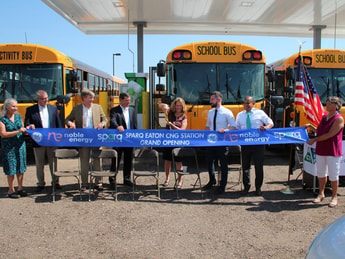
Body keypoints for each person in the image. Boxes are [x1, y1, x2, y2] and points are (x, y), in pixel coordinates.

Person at [65, 89, 108, 191]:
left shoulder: (98, 107)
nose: (92, 100)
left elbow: (105, 119)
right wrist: (70, 124)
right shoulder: (77, 109)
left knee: (97, 161)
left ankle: (99, 182)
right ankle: (84, 183)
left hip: (95, 139)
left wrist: (102, 124)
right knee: (84, 162)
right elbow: (67, 119)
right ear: (83, 98)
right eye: (90, 98)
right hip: (83, 139)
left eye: (93, 98)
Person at [307, 96, 344, 208]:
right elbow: (319, 131)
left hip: (332, 150)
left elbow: (330, 134)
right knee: (321, 172)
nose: (327, 105)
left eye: (330, 103)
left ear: (336, 106)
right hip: (321, 149)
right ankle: (321, 193)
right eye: (327, 103)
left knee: (333, 174)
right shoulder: (324, 117)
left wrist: (314, 140)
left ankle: (334, 196)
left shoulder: (339, 119)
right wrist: (310, 127)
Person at [25, 90, 63, 192]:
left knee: (53, 162)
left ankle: (55, 182)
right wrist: (29, 126)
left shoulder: (53, 109)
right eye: (43, 99)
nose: (46, 100)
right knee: (39, 163)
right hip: (38, 141)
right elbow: (27, 123)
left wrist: (60, 138)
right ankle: (40, 183)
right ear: (38, 99)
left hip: (52, 140)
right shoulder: (30, 110)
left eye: (47, 98)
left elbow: (58, 124)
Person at [235, 96, 273, 196]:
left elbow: (270, 123)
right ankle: (246, 187)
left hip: (258, 144)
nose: (246, 105)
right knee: (245, 166)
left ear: (253, 104)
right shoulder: (240, 115)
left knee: (258, 166)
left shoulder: (260, 113)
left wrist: (265, 127)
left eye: (248, 103)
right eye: (244, 103)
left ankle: (258, 188)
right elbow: (236, 128)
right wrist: (225, 131)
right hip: (245, 144)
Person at [204, 91, 236, 195]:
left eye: (212, 99)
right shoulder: (210, 112)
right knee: (209, 162)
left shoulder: (227, 112)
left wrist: (225, 130)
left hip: (222, 142)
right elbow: (208, 126)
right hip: (211, 141)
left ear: (219, 100)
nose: (210, 101)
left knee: (223, 164)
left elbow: (233, 127)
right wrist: (204, 134)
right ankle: (212, 180)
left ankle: (222, 185)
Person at [0, 98, 28, 198]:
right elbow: (3, 134)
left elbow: (22, 128)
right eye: (13, 106)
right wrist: (18, 131)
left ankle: (20, 188)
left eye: (16, 106)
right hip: (9, 147)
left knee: (21, 167)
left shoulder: (18, 117)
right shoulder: (2, 120)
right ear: (7, 107)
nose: (15, 108)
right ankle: (11, 190)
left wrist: (27, 130)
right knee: (11, 168)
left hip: (20, 146)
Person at [109, 92, 137, 187]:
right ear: (121, 100)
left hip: (129, 139)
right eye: (126, 100)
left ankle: (127, 179)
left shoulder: (132, 110)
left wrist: (135, 137)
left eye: (129, 100)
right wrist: (117, 126)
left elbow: (134, 124)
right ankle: (112, 178)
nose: (128, 102)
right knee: (116, 159)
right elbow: (112, 120)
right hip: (118, 139)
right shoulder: (114, 110)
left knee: (128, 160)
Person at [160, 98, 187, 188]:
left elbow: (182, 130)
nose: (178, 107)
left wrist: (172, 125)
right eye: (176, 105)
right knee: (167, 160)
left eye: (180, 105)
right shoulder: (170, 113)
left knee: (178, 162)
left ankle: (180, 181)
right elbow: (160, 105)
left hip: (178, 142)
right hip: (168, 141)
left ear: (182, 106)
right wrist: (165, 107)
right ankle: (167, 179)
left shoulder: (183, 117)